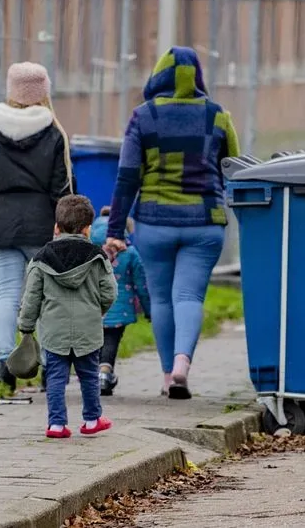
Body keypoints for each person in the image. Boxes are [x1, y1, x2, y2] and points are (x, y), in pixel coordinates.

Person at [103, 46, 240, 400]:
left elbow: (127, 177)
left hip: (154, 223)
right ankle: (183, 364)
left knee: (162, 299)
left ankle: (167, 377)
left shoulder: (142, 117)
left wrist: (116, 230)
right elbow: (234, 168)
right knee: (189, 295)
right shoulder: (219, 115)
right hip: (205, 222)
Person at [0, 62, 72, 393]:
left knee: (7, 294)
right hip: (41, 224)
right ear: (44, 93)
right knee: (46, 296)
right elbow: (62, 186)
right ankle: (47, 364)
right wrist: (62, 225)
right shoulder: (54, 133)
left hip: (0, 223)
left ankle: (3, 363)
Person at [17, 195, 117, 439]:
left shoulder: (42, 258)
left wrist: (26, 326)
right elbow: (110, 292)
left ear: (56, 227)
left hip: (54, 331)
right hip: (88, 329)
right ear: (87, 229)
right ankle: (92, 420)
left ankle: (56, 425)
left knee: (55, 378)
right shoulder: (97, 256)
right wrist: (97, 311)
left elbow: (31, 297)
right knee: (89, 376)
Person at [90, 207, 151, 396]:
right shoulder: (130, 253)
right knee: (111, 342)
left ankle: (91, 376)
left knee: (93, 343)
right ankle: (105, 374)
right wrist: (149, 310)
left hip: (91, 307)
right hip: (119, 308)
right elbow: (142, 285)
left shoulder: (87, 250)